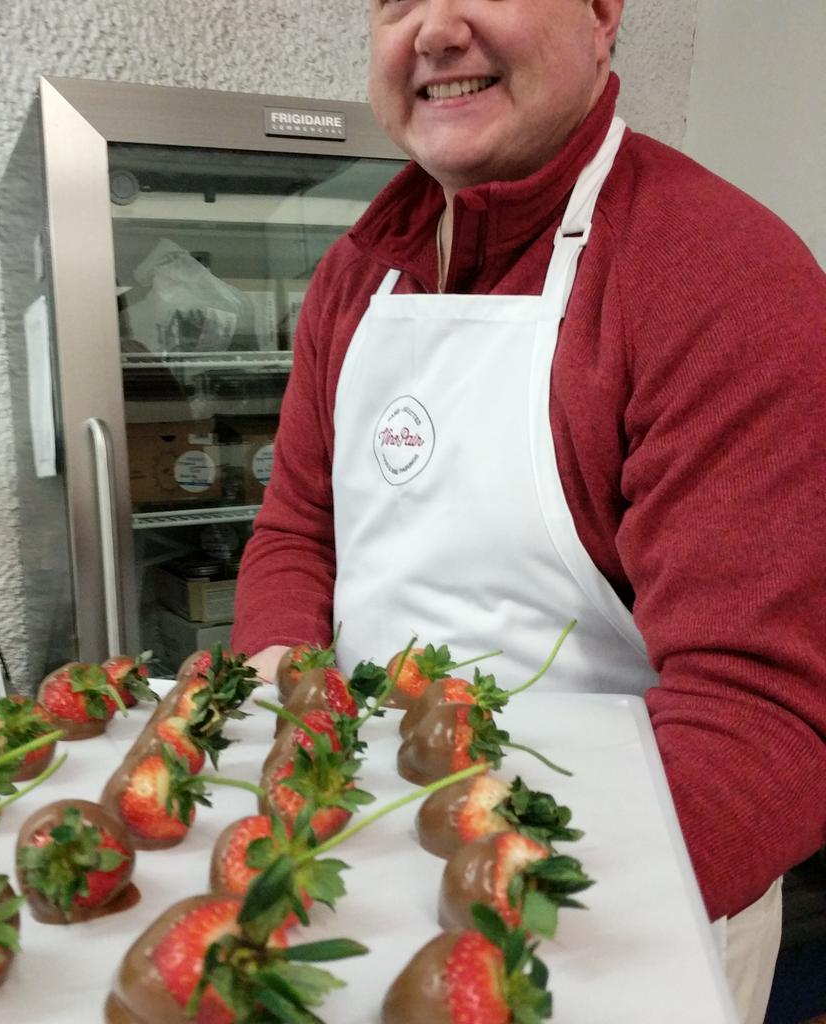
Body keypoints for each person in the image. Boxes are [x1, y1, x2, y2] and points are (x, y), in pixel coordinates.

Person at [231, 2, 826, 1020]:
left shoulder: (725, 276)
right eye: (395, 1)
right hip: (366, 860)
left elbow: (760, 712)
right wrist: (284, 721)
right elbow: (297, 527)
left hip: (606, 916)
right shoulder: (353, 273)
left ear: (601, 15)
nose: (433, 31)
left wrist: (494, 926)